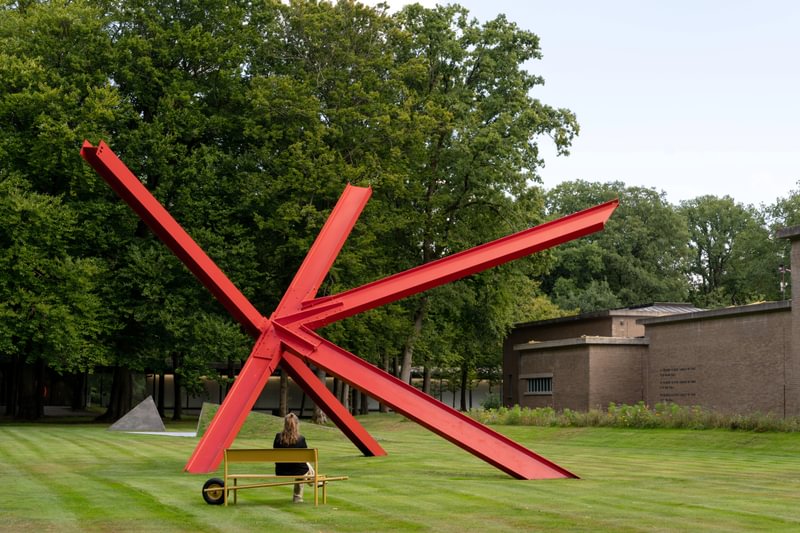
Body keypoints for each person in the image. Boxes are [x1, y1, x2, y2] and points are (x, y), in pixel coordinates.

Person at [273, 412, 314, 503]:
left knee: (302, 467)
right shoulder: (301, 439)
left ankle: (312, 481)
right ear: (296, 424)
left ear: (285, 424)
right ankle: (312, 482)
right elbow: (305, 457)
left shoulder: (278, 437)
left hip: (281, 470)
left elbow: (275, 451)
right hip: (298, 470)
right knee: (304, 466)